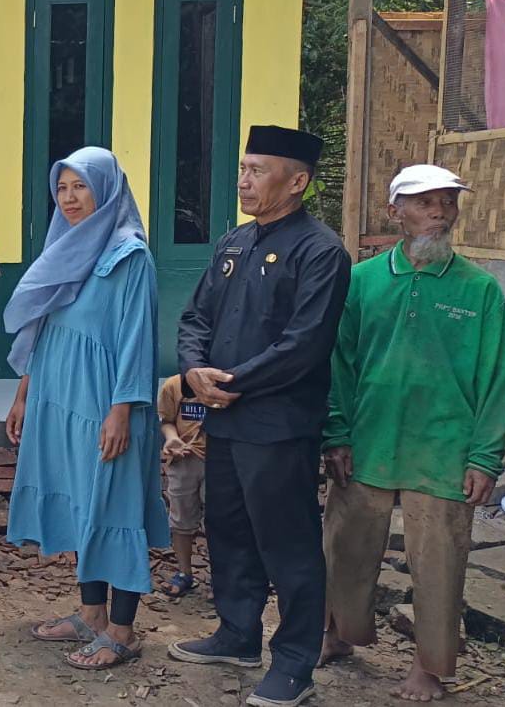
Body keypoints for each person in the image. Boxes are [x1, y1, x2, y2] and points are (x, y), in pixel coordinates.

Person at [169, 125, 353, 707]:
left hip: (278, 426)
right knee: (229, 530)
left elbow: (305, 343)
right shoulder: (234, 243)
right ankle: (237, 632)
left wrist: (234, 384)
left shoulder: (321, 251)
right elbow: (195, 317)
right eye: (243, 169)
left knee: (287, 543)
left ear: (296, 182)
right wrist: (194, 370)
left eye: (257, 170)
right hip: (223, 420)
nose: (243, 181)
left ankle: (295, 663)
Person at [319, 164, 505, 703]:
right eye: (426, 203)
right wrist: (336, 433)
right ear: (394, 212)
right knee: (346, 544)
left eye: (448, 202)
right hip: (368, 438)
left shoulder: (479, 290)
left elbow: (496, 378)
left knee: (440, 560)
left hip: (444, 447)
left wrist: (484, 457)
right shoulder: (362, 281)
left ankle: (429, 666)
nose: (440, 213)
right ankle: (336, 634)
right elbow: (339, 364)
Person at [4, 147, 167, 669]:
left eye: (81, 187)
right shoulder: (65, 247)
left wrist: (122, 409)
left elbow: (137, 338)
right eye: (62, 187)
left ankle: (122, 630)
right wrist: (24, 393)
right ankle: (91, 615)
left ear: (107, 191)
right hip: (59, 397)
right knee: (82, 502)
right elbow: (42, 327)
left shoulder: (129, 255)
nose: (70, 198)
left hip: (106, 401)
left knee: (115, 506)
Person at [157, 374, 207, 598]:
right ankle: (184, 572)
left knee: (220, 520)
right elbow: (166, 421)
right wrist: (171, 438)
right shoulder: (174, 385)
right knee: (180, 518)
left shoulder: (227, 382)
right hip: (183, 458)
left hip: (220, 461)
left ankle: (221, 577)